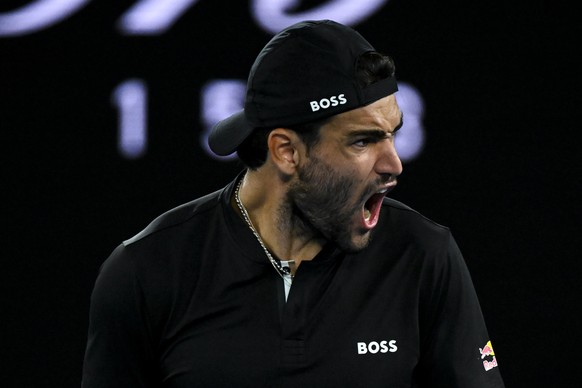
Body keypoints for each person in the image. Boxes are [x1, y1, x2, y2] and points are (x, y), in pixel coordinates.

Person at [82, 20, 504, 387]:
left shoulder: (423, 255)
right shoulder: (145, 271)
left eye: (392, 133)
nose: (393, 164)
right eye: (363, 140)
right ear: (286, 151)